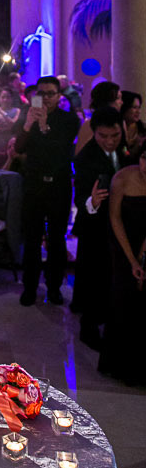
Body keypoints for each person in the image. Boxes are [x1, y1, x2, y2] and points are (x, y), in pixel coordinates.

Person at [14, 75, 80, 306]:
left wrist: (42, 127)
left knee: (56, 239)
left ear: (59, 96)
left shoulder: (69, 120)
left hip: (58, 186)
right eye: (40, 93)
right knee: (31, 238)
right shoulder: (28, 116)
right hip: (33, 185)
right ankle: (29, 288)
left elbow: (61, 150)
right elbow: (18, 148)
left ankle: (54, 288)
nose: (45, 98)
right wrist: (28, 125)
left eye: (50, 93)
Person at [71, 107, 125, 349]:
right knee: (93, 279)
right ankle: (89, 331)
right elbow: (79, 197)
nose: (110, 141)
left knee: (108, 278)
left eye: (115, 135)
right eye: (104, 136)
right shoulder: (85, 158)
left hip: (117, 227)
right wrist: (92, 201)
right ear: (94, 133)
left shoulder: (125, 154)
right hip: (93, 225)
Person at [98, 141, 146, 386]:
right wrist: (131, 259)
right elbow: (114, 218)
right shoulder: (123, 178)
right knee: (122, 299)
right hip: (121, 241)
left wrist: (142, 256)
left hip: (143, 245)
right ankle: (117, 366)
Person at [75, 81, 122, 154]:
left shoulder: (120, 123)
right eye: (118, 98)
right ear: (107, 101)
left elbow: (124, 149)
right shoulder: (89, 125)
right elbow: (79, 155)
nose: (121, 102)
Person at [120, 90, 146, 161]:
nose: (138, 111)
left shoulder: (142, 129)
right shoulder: (117, 129)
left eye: (139, 107)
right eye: (134, 107)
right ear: (124, 108)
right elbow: (124, 152)